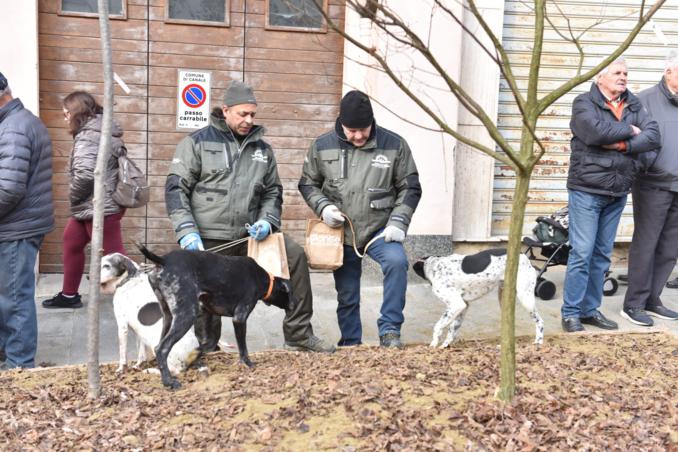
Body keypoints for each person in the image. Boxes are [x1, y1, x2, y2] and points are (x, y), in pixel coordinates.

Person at [165, 80, 334, 354]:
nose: (248, 120)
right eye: (242, 114)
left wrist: (267, 220)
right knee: (202, 286)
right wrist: (186, 232)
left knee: (295, 258)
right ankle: (207, 347)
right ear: (226, 110)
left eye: (252, 114)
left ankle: (299, 333)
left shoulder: (263, 150)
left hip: (250, 238)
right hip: (208, 238)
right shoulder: (195, 143)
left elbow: (272, 191)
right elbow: (175, 189)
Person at [299, 90, 422, 348]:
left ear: (372, 122)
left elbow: (410, 187)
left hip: (380, 230)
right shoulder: (322, 145)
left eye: (363, 130)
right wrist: (323, 208)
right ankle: (351, 341)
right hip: (342, 232)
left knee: (397, 263)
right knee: (347, 294)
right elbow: (308, 183)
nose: (357, 136)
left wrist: (399, 222)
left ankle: (390, 331)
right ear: (341, 123)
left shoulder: (394, 145)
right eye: (351, 130)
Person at [562, 58, 660, 332]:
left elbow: (653, 136)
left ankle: (589, 310)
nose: (623, 77)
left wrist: (621, 148)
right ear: (600, 78)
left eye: (626, 73)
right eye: (617, 73)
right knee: (582, 253)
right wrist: (630, 131)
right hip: (587, 190)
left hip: (618, 190)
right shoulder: (583, 103)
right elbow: (594, 133)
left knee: (602, 255)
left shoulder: (634, 104)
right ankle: (571, 312)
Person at [42, 91, 127, 309]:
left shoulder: (89, 135)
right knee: (72, 242)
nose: (65, 118)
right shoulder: (98, 130)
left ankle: (135, 298)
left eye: (66, 113)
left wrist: (73, 197)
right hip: (91, 205)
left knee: (115, 257)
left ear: (77, 112)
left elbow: (86, 175)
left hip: (99, 206)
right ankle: (69, 295)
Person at [0, 72, 54, 369]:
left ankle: (19, 364)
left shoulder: (14, 129)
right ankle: (9, 354)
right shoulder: (17, 122)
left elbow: (8, 187)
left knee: (15, 299)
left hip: (16, 228)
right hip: (17, 225)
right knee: (7, 295)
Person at [622, 51, 678, 326]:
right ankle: (633, 303)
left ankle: (653, 299)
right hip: (653, 184)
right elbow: (629, 139)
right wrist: (647, 165)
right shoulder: (644, 101)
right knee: (646, 244)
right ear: (669, 72)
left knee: (670, 247)